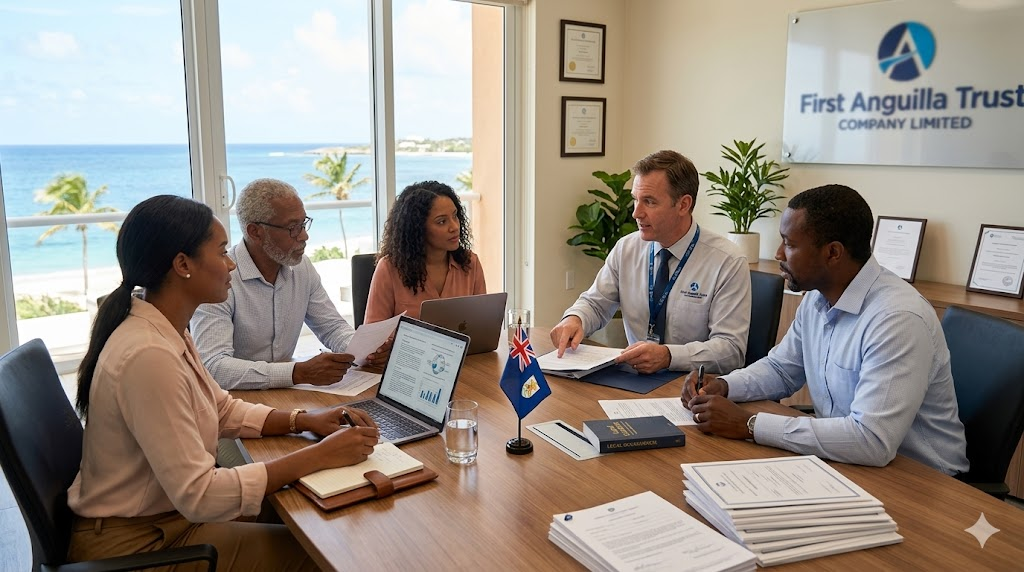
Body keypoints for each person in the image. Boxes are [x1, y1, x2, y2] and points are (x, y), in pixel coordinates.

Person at [67, 195, 381, 569]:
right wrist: (318, 455)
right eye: (220, 252)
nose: (231, 263)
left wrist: (303, 419)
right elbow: (199, 495)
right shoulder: (148, 356)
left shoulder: (164, 328)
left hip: (167, 519)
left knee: (314, 510)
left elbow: (221, 407)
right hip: (144, 544)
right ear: (182, 265)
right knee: (327, 553)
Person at [683, 184, 969, 476]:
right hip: (847, 461)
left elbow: (871, 440)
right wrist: (726, 386)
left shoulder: (897, 319)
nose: (778, 252)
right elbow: (782, 369)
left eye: (790, 244)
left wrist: (748, 424)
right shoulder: (818, 298)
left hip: (923, 482)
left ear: (833, 253)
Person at [550, 150, 751, 374]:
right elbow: (596, 304)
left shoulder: (727, 262)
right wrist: (575, 319)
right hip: (632, 381)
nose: (636, 213)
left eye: (649, 202)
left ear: (683, 205)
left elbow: (731, 350)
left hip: (692, 390)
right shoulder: (626, 249)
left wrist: (668, 356)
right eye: (636, 200)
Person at [191, 178, 389, 390]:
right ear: (255, 232)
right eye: (293, 228)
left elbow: (332, 328)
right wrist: (297, 373)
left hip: (286, 394)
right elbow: (213, 366)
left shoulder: (301, 267)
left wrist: (365, 352)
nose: (304, 235)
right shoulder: (220, 277)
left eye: (303, 223)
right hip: (233, 400)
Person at [364, 180, 486, 322]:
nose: (454, 227)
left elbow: (481, 324)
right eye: (441, 221)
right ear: (418, 229)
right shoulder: (389, 268)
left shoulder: (470, 263)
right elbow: (373, 335)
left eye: (455, 216)